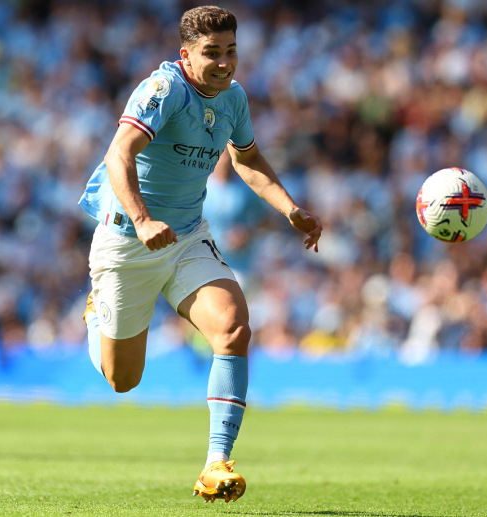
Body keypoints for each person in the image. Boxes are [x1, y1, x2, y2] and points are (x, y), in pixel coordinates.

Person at [78, 5, 322, 504]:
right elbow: (118, 153)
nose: (225, 62)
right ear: (186, 55)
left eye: (231, 50)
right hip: (129, 240)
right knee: (123, 380)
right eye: (213, 53)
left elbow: (247, 158)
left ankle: (217, 462)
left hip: (188, 237)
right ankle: (95, 313)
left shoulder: (233, 98)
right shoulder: (163, 91)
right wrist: (144, 220)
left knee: (233, 328)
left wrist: (290, 208)